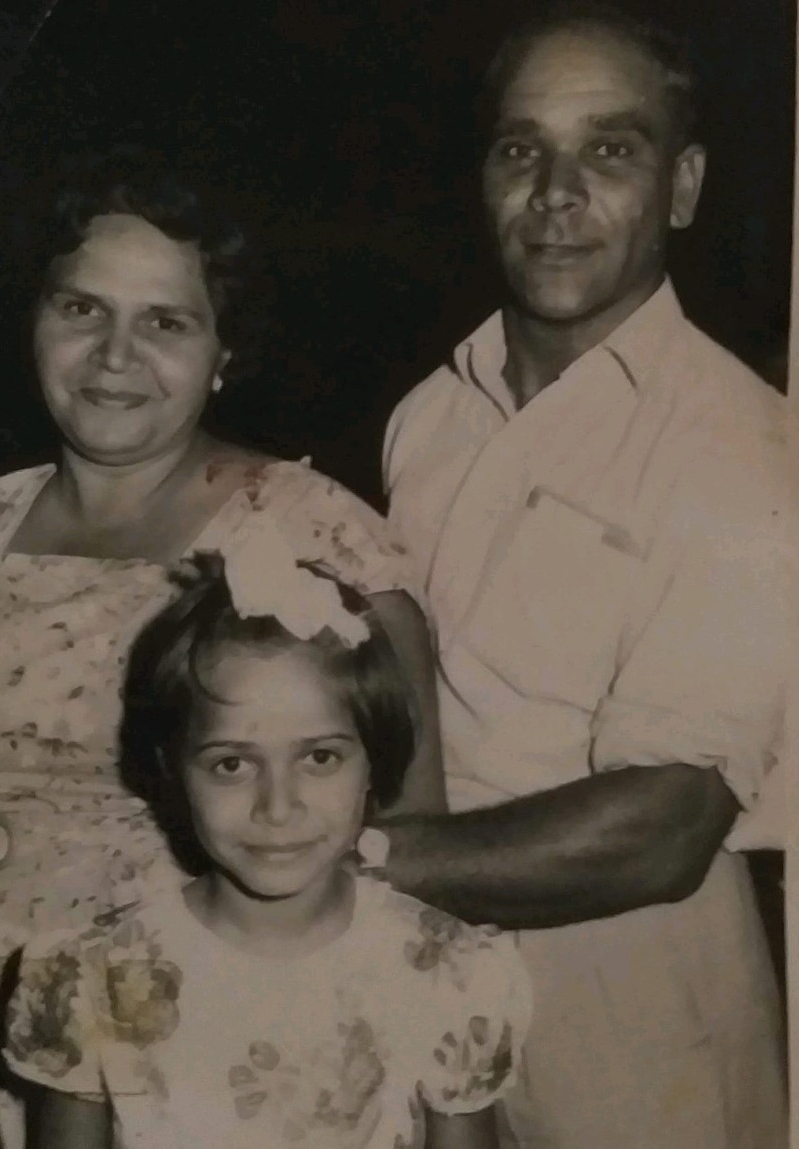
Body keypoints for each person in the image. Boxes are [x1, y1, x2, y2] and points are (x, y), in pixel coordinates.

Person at [0, 146, 444, 1149]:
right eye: (80, 309)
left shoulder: (307, 538)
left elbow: (409, 854)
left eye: (165, 323)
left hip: (184, 1075)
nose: (114, 356)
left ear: (222, 353)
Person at [379, 5, 795, 1148]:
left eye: (610, 149)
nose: (556, 192)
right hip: (426, 999)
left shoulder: (739, 444)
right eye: (522, 149)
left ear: (683, 185)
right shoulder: (430, 414)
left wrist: (334, 856)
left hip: (636, 1025)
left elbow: (664, 829)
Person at [0, 543, 531, 1149]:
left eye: (320, 757)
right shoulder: (91, 976)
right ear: (172, 770)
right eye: (232, 764)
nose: (278, 807)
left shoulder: (448, 973)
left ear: (373, 763)